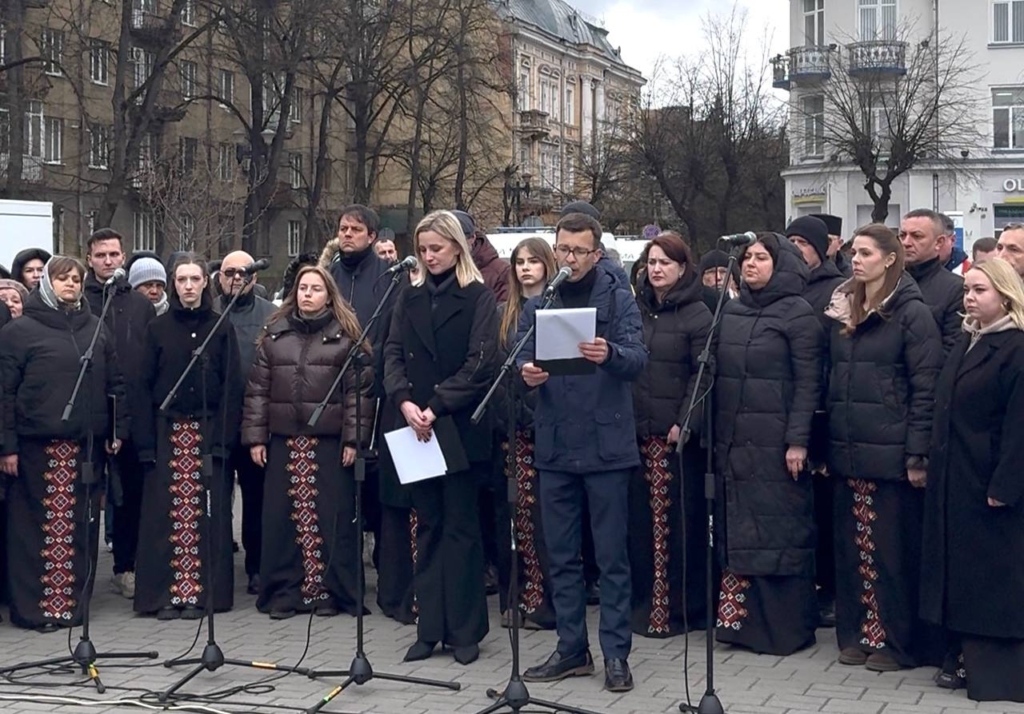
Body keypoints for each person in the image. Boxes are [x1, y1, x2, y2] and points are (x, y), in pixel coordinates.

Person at [517, 212, 647, 693]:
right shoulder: (542, 301)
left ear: (596, 253)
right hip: (555, 446)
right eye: (562, 249)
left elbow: (638, 358)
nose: (568, 259)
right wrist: (527, 373)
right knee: (562, 556)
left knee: (611, 558)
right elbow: (519, 354)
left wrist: (609, 353)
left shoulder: (617, 297)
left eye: (577, 251)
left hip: (606, 445)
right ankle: (572, 648)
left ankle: (616, 653)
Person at [824, 224, 943, 672]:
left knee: (891, 553)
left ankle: (897, 641)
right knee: (853, 550)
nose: (856, 260)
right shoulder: (845, 309)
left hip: (891, 453)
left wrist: (917, 453)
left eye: (866, 253)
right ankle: (860, 632)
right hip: (849, 448)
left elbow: (926, 387)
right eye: (854, 253)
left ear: (890, 259)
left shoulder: (912, 314)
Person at [383, 210, 498, 665]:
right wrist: (403, 401)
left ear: (457, 248)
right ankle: (429, 626)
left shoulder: (477, 296)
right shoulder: (408, 296)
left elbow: (480, 362)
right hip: (416, 427)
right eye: (423, 249)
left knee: (461, 527)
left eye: (437, 248)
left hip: (457, 426)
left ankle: (465, 631)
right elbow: (392, 352)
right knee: (428, 526)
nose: (429, 257)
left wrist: (437, 404)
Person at [0, 256, 127, 631]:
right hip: (35, 449)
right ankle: (34, 609)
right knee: (34, 532)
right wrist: (7, 446)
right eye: (62, 278)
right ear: (46, 284)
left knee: (77, 529)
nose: (70, 284)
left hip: (84, 448)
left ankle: (69, 606)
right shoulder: (19, 331)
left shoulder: (96, 327)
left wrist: (115, 431)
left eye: (76, 279)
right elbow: (4, 394)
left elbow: (115, 385)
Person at [713, 234, 823, 657]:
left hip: (777, 444)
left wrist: (798, 440)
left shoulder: (798, 313)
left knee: (779, 529)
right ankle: (741, 626)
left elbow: (809, 383)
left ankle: (783, 628)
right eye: (747, 257)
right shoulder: (732, 311)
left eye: (761, 257)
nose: (750, 264)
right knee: (740, 529)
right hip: (735, 441)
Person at [241, 265, 373, 619]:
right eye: (303, 288)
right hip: (285, 441)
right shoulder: (275, 336)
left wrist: (354, 440)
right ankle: (286, 592)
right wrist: (256, 438)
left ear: (329, 296)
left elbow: (359, 395)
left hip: (328, 443)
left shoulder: (346, 338)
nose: (308, 294)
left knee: (330, 518)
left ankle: (328, 592)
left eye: (316, 288)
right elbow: (257, 391)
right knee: (283, 520)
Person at [921, 258, 1024, 702]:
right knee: (961, 573)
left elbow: (1019, 426)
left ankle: (992, 666)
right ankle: (959, 654)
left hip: (991, 481)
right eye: (967, 290)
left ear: (1005, 294)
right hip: (956, 476)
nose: (970, 298)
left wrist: (1006, 484)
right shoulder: (968, 338)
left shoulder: (1015, 348)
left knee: (992, 578)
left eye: (980, 291)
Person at [134, 254, 242, 620]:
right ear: (173, 284)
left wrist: (223, 441)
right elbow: (142, 386)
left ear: (205, 282)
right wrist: (146, 444)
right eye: (182, 280)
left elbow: (232, 387)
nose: (189, 286)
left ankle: (202, 594)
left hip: (207, 431)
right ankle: (165, 594)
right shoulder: (157, 328)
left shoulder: (220, 327)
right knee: (164, 516)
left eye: (195, 279)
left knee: (207, 516)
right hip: (168, 432)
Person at [630, 232, 712, 638]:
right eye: (652, 262)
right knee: (643, 527)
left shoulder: (697, 314)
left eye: (665, 262)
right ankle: (646, 606)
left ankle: (678, 609)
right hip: (636, 432)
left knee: (676, 526)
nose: (657, 269)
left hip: (674, 436)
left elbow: (703, 374)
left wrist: (686, 420)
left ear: (682, 268)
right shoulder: (637, 309)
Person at [320, 205, 395, 574]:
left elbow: (393, 330)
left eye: (355, 229)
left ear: (372, 236)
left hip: (376, 390)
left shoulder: (387, 278)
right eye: (343, 228)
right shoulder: (329, 276)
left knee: (376, 482)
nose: (347, 234)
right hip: (334, 390)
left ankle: (383, 560)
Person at [82, 229, 156, 601]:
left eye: (113, 254)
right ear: (89, 259)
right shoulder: (80, 301)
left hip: (132, 412)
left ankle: (126, 567)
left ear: (123, 257)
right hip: (91, 412)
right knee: (86, 494)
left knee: (130, 496)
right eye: (101, 255)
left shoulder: (140, 305)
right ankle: (79, 571)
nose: (108, 261)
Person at [494, 237, 559, 631]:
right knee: (514, 517)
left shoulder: (556, 309)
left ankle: (545, 599)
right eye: (519, 262)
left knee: (542, 519)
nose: (525, 268)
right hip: (510, 428)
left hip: (545, 427)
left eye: (533, 261)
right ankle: (515, 596)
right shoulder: (503, 313)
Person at [786, 215, 845, 628]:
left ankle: (829, 587)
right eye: (790, 241)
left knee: (824, 508)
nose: (796, 249)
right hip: (785, 407)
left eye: (803, 242)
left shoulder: (836, 289)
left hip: (822, 410)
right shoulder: (784, 287)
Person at [219, 250, 277, 596]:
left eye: (244, 273)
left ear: (255, 278)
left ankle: (257, 566)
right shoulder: (210, 312)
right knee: (217, 497)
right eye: (229, 273)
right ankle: (218, 567)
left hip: (257, 421)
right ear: (219, 277)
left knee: (256, 498)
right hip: (218, 421)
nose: (236, 278)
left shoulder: (270, 315)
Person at [899, 209, 964, 355]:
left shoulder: (956, 289)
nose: (906, 243)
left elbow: (953, 348)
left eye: (917, 236)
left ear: (939, 242)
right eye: (902, 235)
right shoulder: (888, 282)